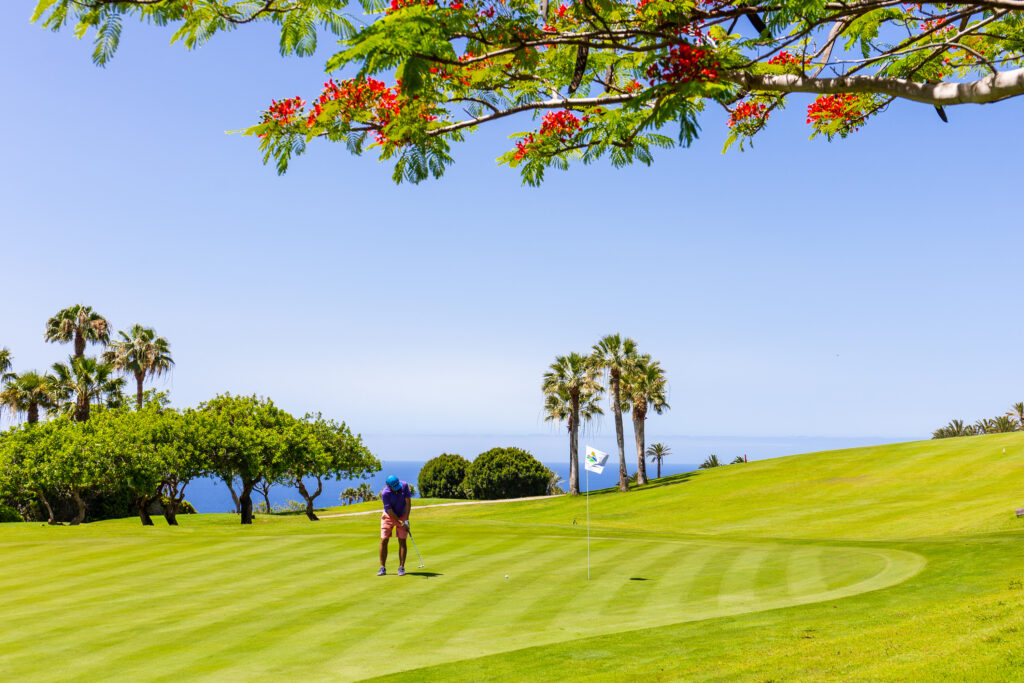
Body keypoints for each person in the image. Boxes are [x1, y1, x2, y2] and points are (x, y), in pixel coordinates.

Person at [378, 475, 412, 576]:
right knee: (384, 540)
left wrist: (406, 520)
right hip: (389, 516)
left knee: (402, 540)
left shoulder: (404, 486)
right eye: (394, 487)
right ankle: (382, 568)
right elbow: (390, 511)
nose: (397, 488)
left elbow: (408, 503)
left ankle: (401, 567)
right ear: (388, 485)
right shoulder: (385, 493)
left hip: (402, 514)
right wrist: (400, 522)